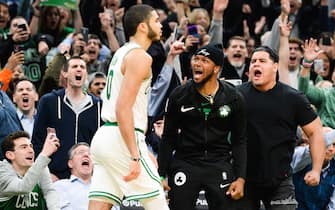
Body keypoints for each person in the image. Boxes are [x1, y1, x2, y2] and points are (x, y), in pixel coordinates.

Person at [88, 4, 169, 210]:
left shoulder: (121, 52)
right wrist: (135, 154)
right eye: (156, 20)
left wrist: (140, 147)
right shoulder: (141, 56)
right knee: (158, 203)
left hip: (106, 137)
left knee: (99, 205)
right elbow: (123, 108)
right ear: (143, 27)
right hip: (121, 138)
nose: (161, 25)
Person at [158, 43, 247, 210]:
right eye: (196, 59)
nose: (197, 64)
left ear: (216, 69)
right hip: (185, 162)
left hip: (219, 162)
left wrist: (240, 178)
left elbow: (239, 141)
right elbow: (168, 137)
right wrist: (161, 174)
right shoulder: (179, 95)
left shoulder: (234, 97)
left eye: (205, 60)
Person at [238, 46, 325, 210]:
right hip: (243, 179)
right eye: (253, 61)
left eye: (262, 61)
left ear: (275, 67)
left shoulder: (292, 98)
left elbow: (315, 132)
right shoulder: (236, 95)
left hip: (280, 180)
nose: (256, 64)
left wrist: (316, 170)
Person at [32, 56, 102, 180]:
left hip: (89, 178)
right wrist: (45, 173)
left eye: (82, 67)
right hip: (55, 177)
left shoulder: (98, 106)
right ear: (64, 73)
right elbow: (37, 141)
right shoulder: (49, 101)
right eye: (74, 66)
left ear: (86, 74)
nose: (79, 69)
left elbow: (102, 146)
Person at [0, 130, 60, 210]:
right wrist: (45, 153)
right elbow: (23, 188)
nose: (31, 151)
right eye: (24, 147)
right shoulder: (2, 172)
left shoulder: (39, 166)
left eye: (31, 146)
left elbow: (49, 191)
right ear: (10, 155)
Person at [291, 128, 335, 210]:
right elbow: (308, 151)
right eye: (326, 143)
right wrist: (317, 141)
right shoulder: (300, 157)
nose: (331, 149)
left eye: (334, 145)